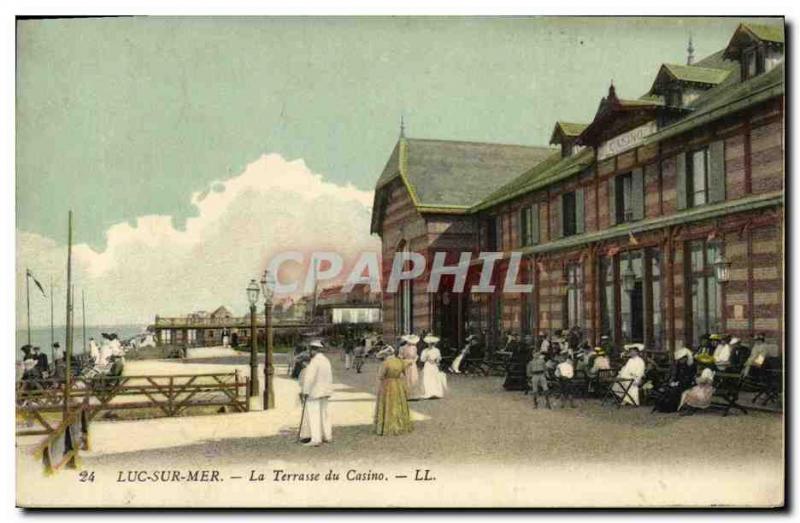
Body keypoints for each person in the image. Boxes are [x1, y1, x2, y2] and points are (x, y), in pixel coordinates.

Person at [298, 340, 333, 447]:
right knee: (324, 414)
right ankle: (327, 436)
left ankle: (316, 439)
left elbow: (309, 378)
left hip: (314, 392)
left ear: (314, 350)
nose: (310, 352)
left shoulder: (314, 362)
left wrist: (305, 391)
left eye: (311, 350)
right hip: (325, 391)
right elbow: (329, 377)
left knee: (314, 415)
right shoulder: (326, 361)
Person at [374, 346, 414, 436]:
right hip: (398, 384)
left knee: (388, 403)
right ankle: (401, 423)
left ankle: (388, 425)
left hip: (387, 385)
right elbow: (405, 369)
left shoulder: (385, 363)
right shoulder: (399, 361)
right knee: (398, 403)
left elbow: (381, 376)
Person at [652, 346, 696, 413]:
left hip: (687, 384)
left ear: (685, 358)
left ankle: (672, 407)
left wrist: (679, 382)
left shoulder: (691, 365)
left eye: (682, 359)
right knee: (667, 388)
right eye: (680, 360)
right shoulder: (679, 364)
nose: (680, 361)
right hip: (679, 382)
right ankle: (662, 406)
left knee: (674, 390)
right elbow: (677, 375)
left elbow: (690, 377)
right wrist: (673, 381)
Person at [419, 334, 446, 399]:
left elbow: (439, 358)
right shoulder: (425, 350)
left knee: (434, 378)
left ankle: (435, 392)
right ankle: (428, 392)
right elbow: (422, 359)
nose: (430, 345)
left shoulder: (437, 350)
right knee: (427, 378)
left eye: (432, 344)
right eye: (429, 344)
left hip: (434, 365)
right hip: (428, 365)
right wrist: (426, 357)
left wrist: (436, 360)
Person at [398, 334, 420, 399]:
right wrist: (404, 362)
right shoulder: (402, 348)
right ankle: (406, 394)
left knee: (413, 377)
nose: (410, 342)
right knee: (407, 378)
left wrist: (414, 361)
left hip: (413, 364)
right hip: (406, 363)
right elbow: (400, 356)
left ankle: (413, 394)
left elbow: (416, 356)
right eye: (409, 341)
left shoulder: (414, 347)